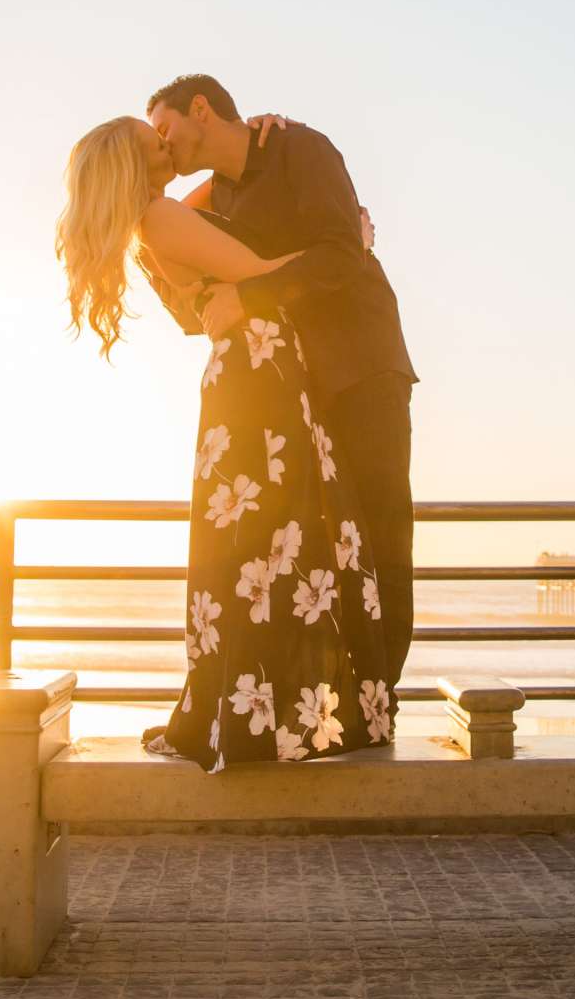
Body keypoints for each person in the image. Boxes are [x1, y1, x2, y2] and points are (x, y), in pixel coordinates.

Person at [55, 116, 394, 770]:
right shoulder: (159, 217)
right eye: (149, 136)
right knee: (271, 542)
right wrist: (353, 243)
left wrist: (233, 147)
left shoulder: (158, 218)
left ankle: (244, 709)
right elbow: (263, 271)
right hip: (256, 375)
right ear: (132, 159)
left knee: (256, 549)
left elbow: (218, 197)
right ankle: (255, 717)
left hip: (249, 374)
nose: (163, 141)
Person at [141, 74, 418, 685]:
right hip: (297, 382)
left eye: (165, 130)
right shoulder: (221, 192)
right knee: (323, 545)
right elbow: (190, 296)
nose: (162, 146)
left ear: (201, 108)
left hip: (362, 364)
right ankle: (336, 694)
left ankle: (383, 694)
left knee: (380, 532)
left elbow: (344, 257)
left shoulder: (301, 149)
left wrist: (247, 294)